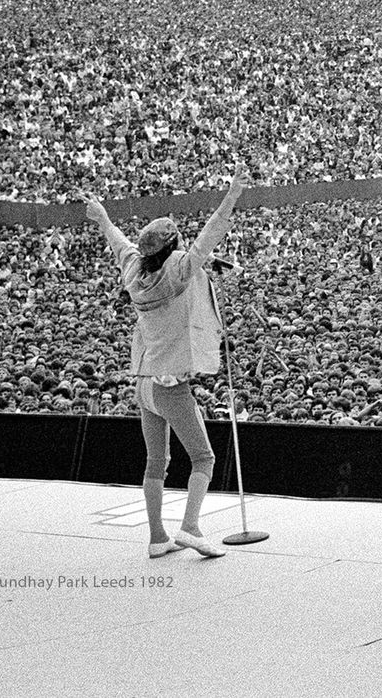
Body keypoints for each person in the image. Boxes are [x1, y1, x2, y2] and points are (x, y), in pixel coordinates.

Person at [85, 165, 249, 559]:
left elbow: (119, 242)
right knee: (203, 458)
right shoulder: (178, 270)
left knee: (156, 462)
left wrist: (103, 217)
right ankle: (190, 527)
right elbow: (210, 235)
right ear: (173, 246)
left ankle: (157, 537)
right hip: (171, 383)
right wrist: (231, 197)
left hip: (143, 382)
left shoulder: (133, 271)